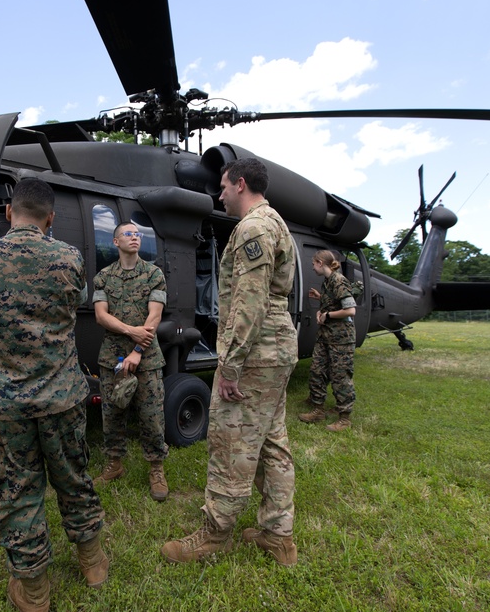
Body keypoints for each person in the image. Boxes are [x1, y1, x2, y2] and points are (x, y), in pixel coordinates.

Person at [0, 178, 107, 612]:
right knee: (74, 478)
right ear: (51, 218)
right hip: (61, 396)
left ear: (9, 213)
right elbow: (71, 308)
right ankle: (93, 563)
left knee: (16, 493)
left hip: (3, 403)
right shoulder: (70, 258)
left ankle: (35, 592)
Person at [160, 157, 299, 567]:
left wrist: (231, 364)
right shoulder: (276, 222)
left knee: (231, 442)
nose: (218, 195)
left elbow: (249, 302)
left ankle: (214, 534)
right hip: (276, 348)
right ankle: (278, 534)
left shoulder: (253, 227)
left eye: (222, 187)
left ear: (240, 184)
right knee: (272, 442)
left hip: (257, 352)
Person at [93, 222, 169, 501]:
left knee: (151, 416)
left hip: (146, 357)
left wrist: (138, 348)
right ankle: (114, 464)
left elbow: (155, 316)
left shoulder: (153, 274)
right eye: (128, 234)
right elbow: (101, 315)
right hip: (112, 356)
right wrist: (129, 330)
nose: (134, 237)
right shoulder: (103, 277)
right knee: (112, 414)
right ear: (115, 242)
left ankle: (156, 469)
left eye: (137, 234)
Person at [298, 249, 358, 431]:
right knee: (317, 371)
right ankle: (318, 409)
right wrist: (320, 300)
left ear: (320, 263)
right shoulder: (328, 282)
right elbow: (333, 301)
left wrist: (328, 315)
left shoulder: (339, 281)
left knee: (340, 376)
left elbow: (350, 310)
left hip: (341, 339)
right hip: (326, 337)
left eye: (313, 264)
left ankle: (344, 418)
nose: (312, 267)